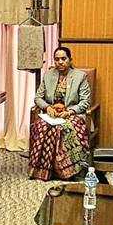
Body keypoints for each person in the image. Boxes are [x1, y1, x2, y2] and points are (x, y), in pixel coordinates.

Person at [28, 46, 93, 181]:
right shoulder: (48, 75)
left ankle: (68, 170)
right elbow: (38, 98)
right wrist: (47, 108)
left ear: (70, 60)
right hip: (51, 114)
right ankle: (43, 169)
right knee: (41, 126)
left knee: (63, 128)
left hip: (72, 114)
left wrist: (69, 112)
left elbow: (85, 102)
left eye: (63, 59)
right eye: (57, 59)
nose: (60, 62)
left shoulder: (80, 77)